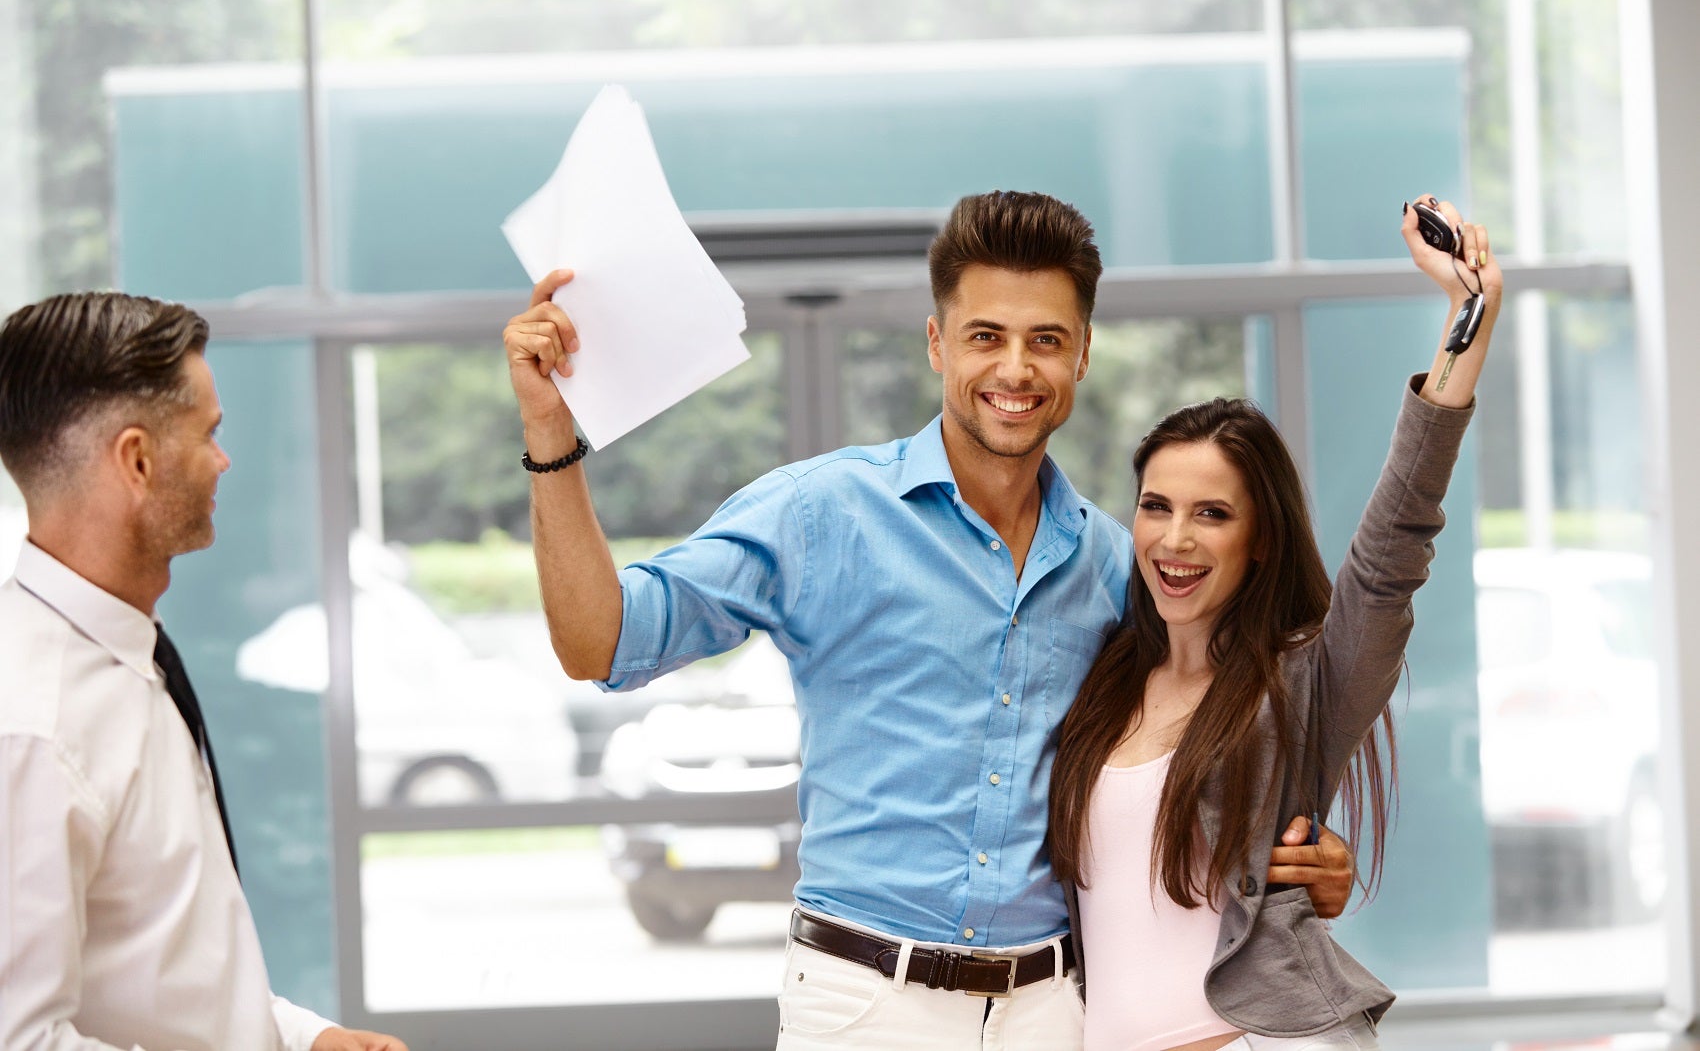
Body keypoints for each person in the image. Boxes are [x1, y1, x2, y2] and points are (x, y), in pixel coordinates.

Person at [504, 190, 1354, 1049]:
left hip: (1052, 1011)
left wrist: (1298, 860)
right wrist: (550, 433)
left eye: (1046, 340)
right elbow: (601, 641)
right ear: (938, 343)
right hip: (865, 1005)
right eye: (986, 336)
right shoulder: (820, 513)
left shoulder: (1112, 561)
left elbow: (1195, 740)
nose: (1015, 369)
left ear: (1084, 354)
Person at [1047, 196, 1500, 1051]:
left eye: (1212, 513)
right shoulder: (1101, 678)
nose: (1175, 538)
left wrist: (1466, 322)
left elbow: (1392, 553)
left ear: (1259, 542)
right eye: (1156, 506)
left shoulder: (1300, 683)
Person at [0, 291, 408, 1051]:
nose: (223, 460)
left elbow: (168, 964)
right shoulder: (30, 722)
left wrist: (302, 1037)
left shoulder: (131, 655)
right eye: (209, 433)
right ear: (137, 460)